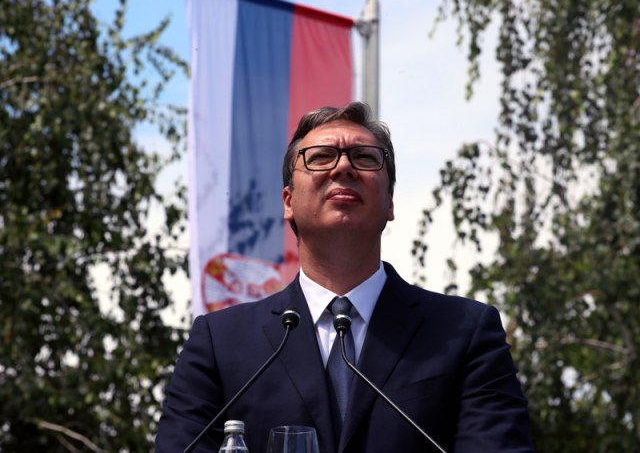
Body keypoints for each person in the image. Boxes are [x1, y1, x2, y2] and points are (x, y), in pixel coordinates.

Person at [156, 102, 534, 452]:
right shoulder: (220, 342)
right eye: (321, 157)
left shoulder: (464, 333)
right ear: (288, 202)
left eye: (364, 158)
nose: (343, 168)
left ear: (389, 202)